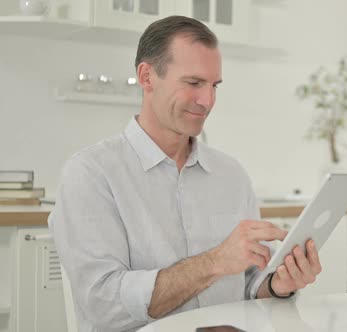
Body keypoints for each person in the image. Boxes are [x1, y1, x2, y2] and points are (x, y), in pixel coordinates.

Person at [49, 15, 322, 332]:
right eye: (193, 83)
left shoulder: (231, 175)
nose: (207, 101)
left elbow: (249, 287)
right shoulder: (91, 174)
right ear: (147, 77)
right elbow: (103, 305)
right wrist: (215, 262)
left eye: (214, 85)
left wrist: (277, 284)